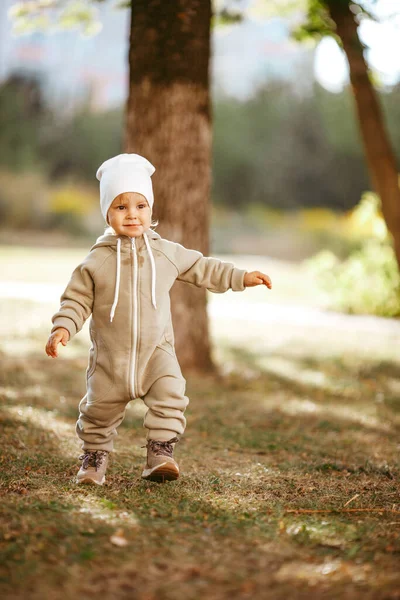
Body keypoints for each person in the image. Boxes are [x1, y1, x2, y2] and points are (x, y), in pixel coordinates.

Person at [45, 153, 272, 486]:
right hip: (111, 357)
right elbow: (76, 299)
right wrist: (63, 327)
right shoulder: (96, 261)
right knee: (98, 409)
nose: (132, 214)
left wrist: (241, 277)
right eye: (121, 207)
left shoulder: (166, 252)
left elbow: (203, 268)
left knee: (170, 394)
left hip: (157, 352)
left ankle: (160, 453)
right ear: (107, 212)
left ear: (151, 209)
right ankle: (94, 459)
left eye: (140, 206)